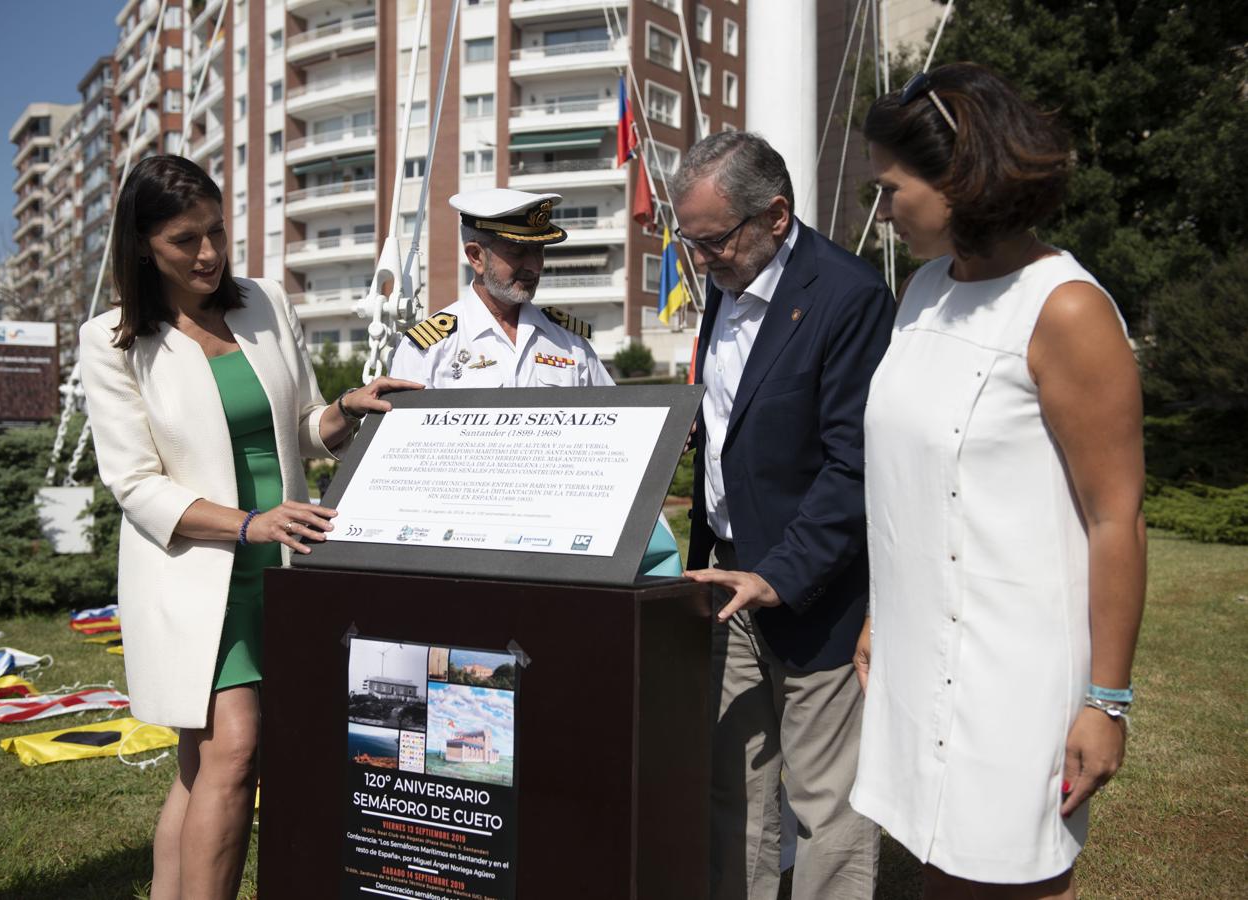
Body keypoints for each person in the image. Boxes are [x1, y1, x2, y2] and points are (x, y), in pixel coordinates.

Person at [79, 155, 418, 900]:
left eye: (217, 233)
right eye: (184, 241)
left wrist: (345, 412)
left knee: (201, 769)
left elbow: (300, 427)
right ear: (141, 247)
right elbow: (134, 485)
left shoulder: (264, 301)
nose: (208, 255)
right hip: (194, 578)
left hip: (286, 569)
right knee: (234, 750)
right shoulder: (110, 341)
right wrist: (250, 524)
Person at [850, 63, 1146, 898]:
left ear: (959, 179)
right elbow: (908, 478)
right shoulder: (925, 291)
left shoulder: (1067, 310)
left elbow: (1115, 518)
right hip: (921, 651)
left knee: (1013, 874)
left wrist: (1106, 702)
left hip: (1017, 672)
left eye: (890, 186)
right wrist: (882, 613)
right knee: (940, 865)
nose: (881, 208)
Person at [672, 132, 895, 899]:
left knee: (827, 802)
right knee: (733, 782)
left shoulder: (849, 296)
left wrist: (779, 576)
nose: (701, 260)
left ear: (775, 214)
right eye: (689, 242)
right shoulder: (726, 279)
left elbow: (854, 468)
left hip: (815, 591)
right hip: (726, 577)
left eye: (712, 242)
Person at [389, 187, 681, 575]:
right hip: (462, 544)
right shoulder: (430, 347)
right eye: (518, 252)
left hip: (559, 542)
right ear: (476, 256)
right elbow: (401, 461)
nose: (534, 266)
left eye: (539, 251)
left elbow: (617, 436)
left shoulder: (569, 341)